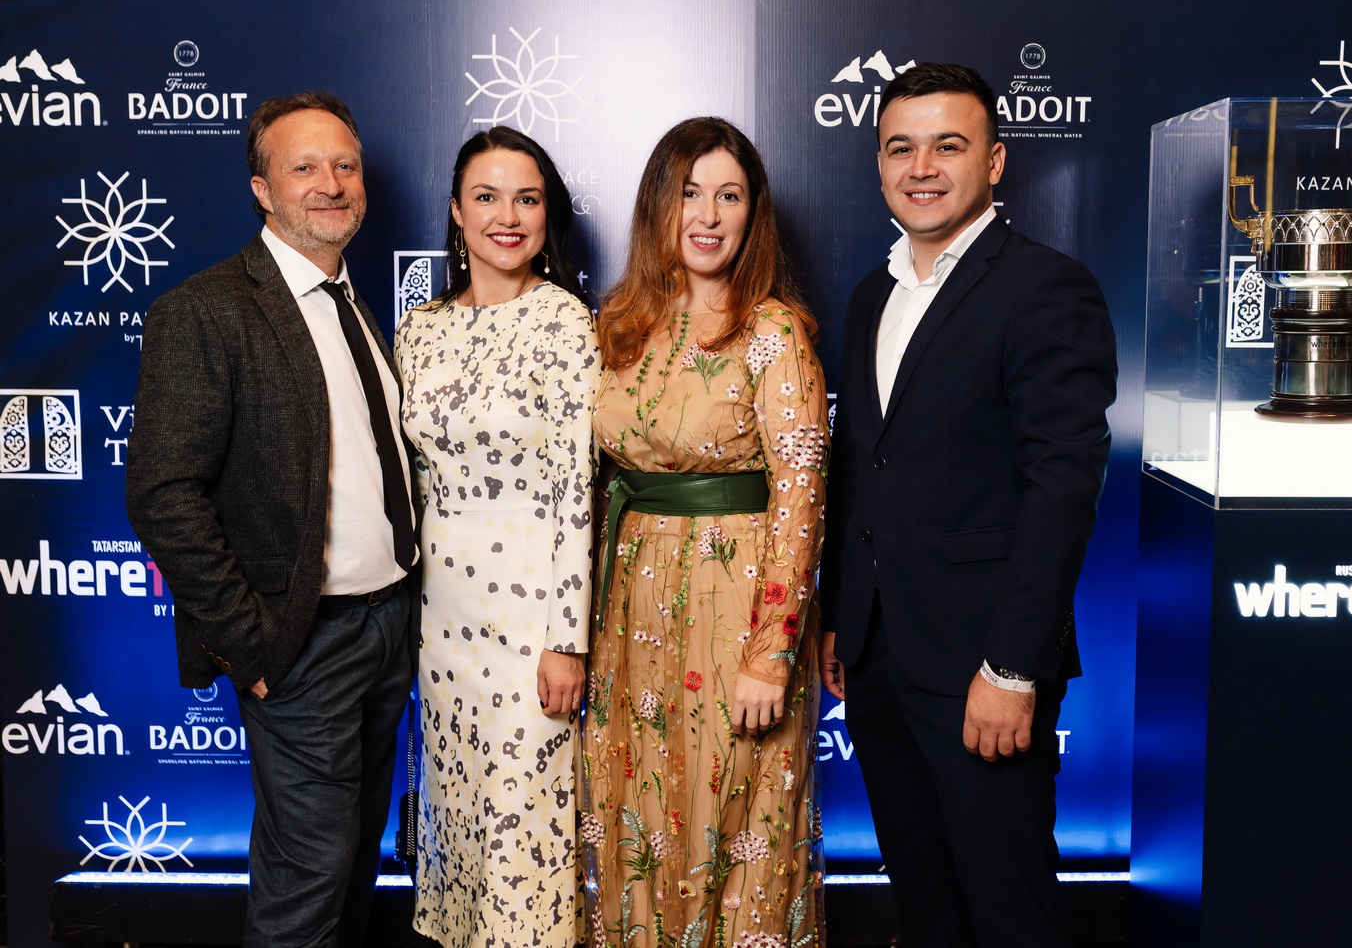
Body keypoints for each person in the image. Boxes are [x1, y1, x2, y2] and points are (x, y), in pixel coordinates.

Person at [819, 62, 1117, 948]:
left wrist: (1014, 668)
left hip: (984, 666)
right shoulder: (872, 295)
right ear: (879, 164)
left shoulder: (1044, 287)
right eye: (900, 148)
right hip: (878, 658)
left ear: (993, 161)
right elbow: (861, 468)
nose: (921, 167)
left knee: (1009, 907)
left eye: (947, 146)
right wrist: (842, 619)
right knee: (926, 902)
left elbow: (1061, 489)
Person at [125, 91, 416, 947]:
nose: (332, 184)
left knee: (352, 863)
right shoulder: (208, 309)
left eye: (345, 166)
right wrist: (250, 647)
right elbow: (162, 494)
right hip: (301, 644)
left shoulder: (353, 303)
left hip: (388, 627)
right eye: (305, 168)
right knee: (307, 880)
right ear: (262, 189)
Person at [582, 117, 826, 948]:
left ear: (754, 213)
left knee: (735, 822)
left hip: (735, 607)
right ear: (661, 203)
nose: (709, 215)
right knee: (642, 817)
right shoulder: (620, 325)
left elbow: (801, 496)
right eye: (691, 193)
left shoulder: (771, 332)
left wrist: (772, 651)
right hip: (631, 612)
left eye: (730, 196)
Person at [394, 126, 600, 948]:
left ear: (549, 214)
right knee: (461, 828)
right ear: (456, 211)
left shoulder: (565, 322)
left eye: (527, 198)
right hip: (441, 626)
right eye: (487, 197)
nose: (507, 217)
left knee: (525, 835)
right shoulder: (419, 328)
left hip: (529, 628)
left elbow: (578, 490)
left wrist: (566, 639)